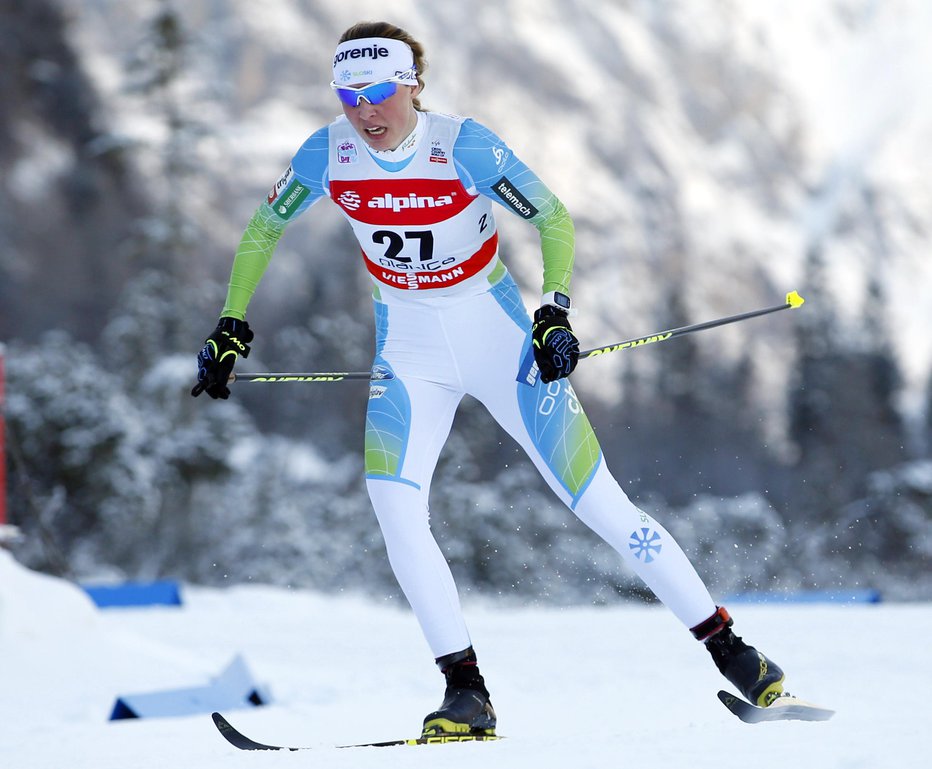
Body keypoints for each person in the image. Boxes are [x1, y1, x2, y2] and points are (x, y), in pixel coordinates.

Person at [193, 20, 788, 737]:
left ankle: (735, 654)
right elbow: (262, 230)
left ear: (413, 85)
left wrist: (555, 312)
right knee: (393, 505)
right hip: (409, 351)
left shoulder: (462, 145)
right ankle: (465, 691)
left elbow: (554, 216)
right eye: (348, 94)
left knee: (601, 506)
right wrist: (230, 322)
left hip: (500, 342)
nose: (364, 110)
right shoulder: (327, 153)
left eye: (379, 91)